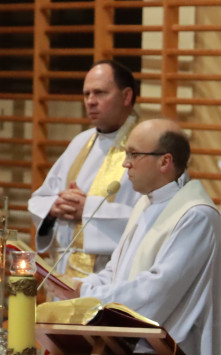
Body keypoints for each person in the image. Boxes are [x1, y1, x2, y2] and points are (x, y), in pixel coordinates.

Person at [45, 118, 221, 355]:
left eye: (134, 154)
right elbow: (115, 271)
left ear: (165, 162)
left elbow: (156, 290)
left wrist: (86, 296)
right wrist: (80, 287)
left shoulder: (195, 215)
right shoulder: (145, 203)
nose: (125, 163)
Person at [29, 59, 141, 277]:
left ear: (126, 96)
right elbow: (40, 198)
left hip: (111, 274)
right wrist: (55, 207)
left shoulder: (148, 147)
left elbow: (152, 219)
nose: (90, 102)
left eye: (99, 93)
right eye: (86, 94)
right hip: (65, 271)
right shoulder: (81, 142)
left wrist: (87, 209)